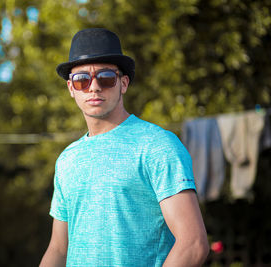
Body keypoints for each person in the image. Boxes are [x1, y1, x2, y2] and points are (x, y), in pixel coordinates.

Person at [40, 28, 209, 267]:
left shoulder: (157, 145)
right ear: (71, 88)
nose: (94, 87)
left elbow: (193, 243)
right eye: (82, 80)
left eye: (106, 77)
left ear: (124, 83)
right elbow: (58, 249)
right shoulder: (67, 159)